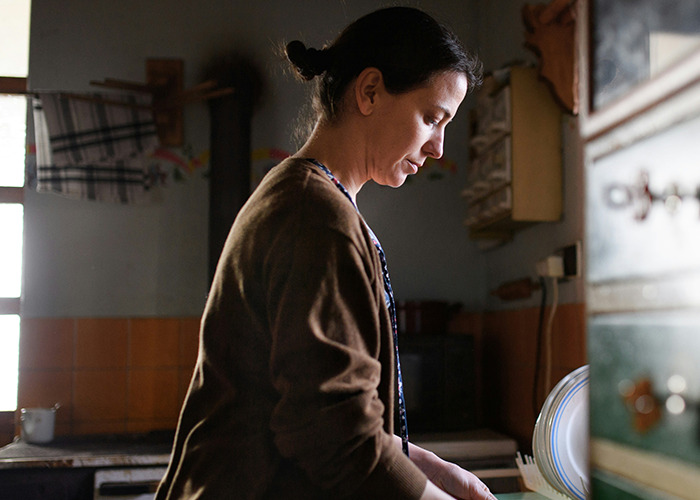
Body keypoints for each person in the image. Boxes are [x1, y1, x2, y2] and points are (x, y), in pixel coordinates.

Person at [156, 7, 493, 500]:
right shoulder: (314, 216)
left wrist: (435, 469)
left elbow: (335, 415)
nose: (439, 148)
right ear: (370, 91)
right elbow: (334, 437)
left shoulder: (305, 196)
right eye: (431, 118)